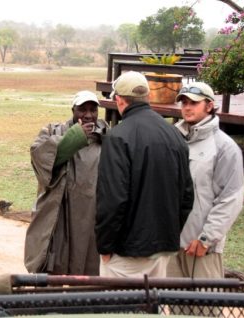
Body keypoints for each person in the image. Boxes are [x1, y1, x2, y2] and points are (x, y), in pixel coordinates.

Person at [95, 71, 194, 278]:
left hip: (127, 252)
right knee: (151, 306)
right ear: (147, 97)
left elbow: (113, 200)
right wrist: (170, 233)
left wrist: (104, 246)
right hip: (163, 249)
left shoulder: (118, 137)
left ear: (119, 100)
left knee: (119, 308)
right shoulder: (174, 134)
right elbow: (187, 196)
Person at [24, 90, 109, 275]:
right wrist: (75, 137)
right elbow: (41, 157)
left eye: (93, 110)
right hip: (59, 216)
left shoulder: (106, 138)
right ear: (73, 110)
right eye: (82, 109)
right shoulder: (54, 132)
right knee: (52, 270)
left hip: (90, 219)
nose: (88, 115)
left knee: (87, 277)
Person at [167, 82, 244, 279]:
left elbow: (231, 199)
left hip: (201, 249)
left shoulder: (225, 147)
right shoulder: (173, 141)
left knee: (206, 308)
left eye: (193, 102)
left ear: (209, 106)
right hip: (170, 245)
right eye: (183, 102)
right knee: (175, 306)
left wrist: (206, 239)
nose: (187, 107)